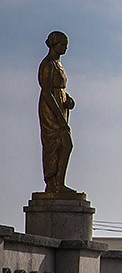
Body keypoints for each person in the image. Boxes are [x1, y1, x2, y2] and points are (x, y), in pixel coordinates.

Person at [38, 30, 79, 197]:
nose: (65, 48)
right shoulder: (47, 64)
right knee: (58, 144)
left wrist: (67, 100)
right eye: (63, 45)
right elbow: (47, 92)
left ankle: (59, 183)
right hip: (50, 108)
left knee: (64, 145)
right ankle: (54, 183)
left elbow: (60, 88)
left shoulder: (58, 64)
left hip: (60, 105)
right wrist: (60, 118)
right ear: (55, 45)